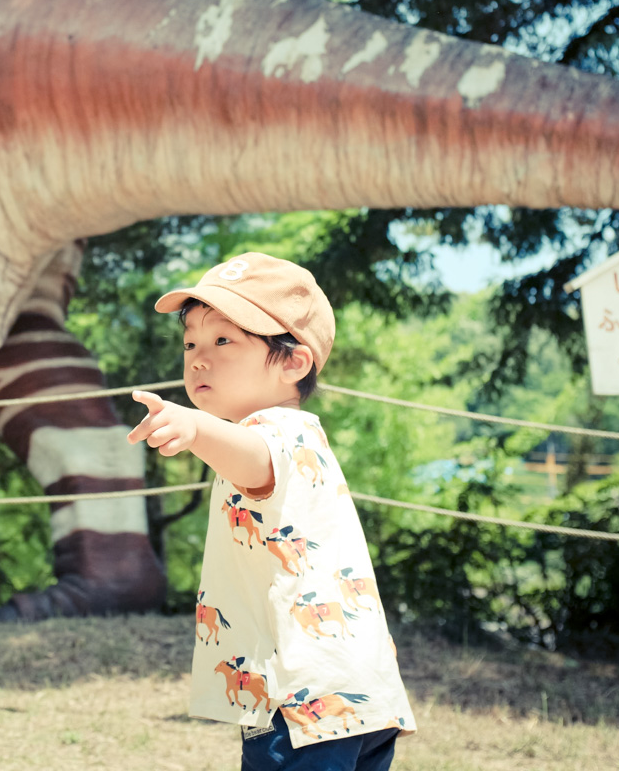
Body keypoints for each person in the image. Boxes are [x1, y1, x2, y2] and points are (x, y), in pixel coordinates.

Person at [128, 252, 416, 771]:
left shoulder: (277, 434)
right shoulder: (301, 435)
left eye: (223, 340)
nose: (197, 357)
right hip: (355, 691)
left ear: (292, 362)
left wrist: (192, 427)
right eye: (190, 341)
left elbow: (255, 459)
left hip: (301, 701)